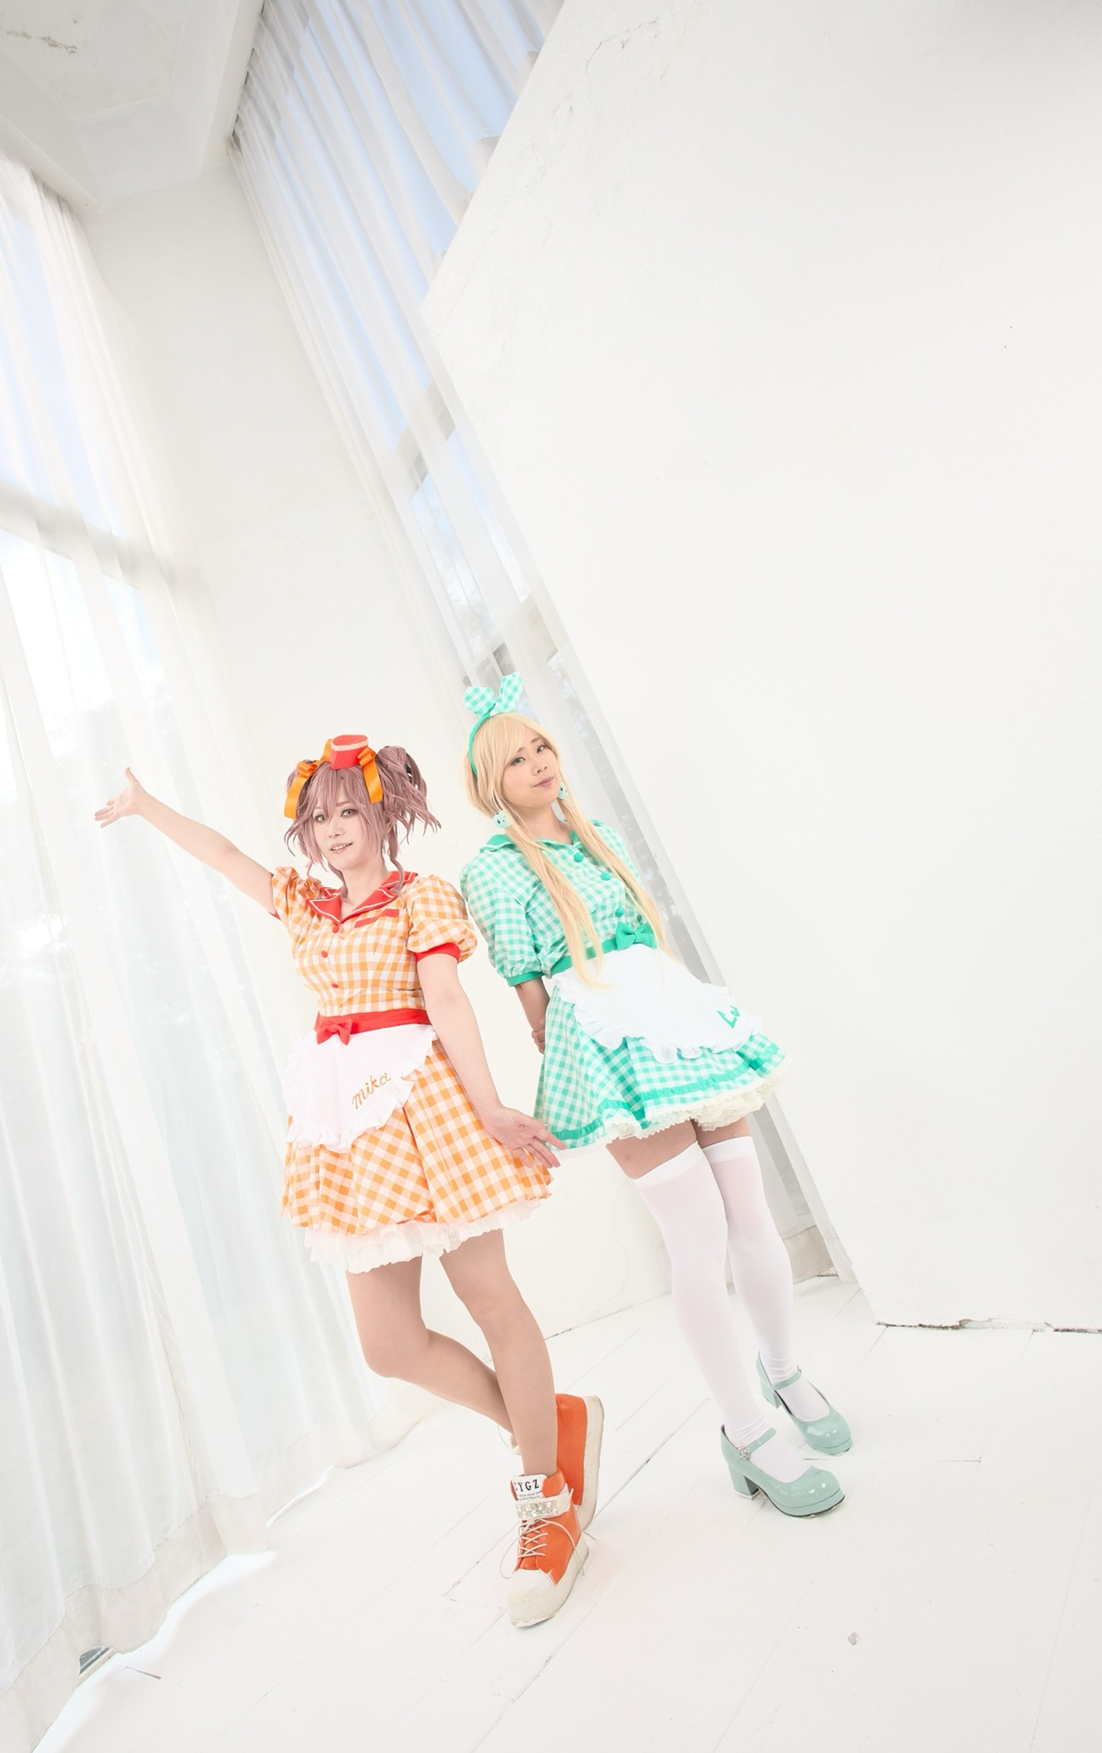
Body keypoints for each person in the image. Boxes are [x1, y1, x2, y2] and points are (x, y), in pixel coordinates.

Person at [95, 732, 602, 1622]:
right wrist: (144, 807)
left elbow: (446, 1000)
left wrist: (489, 1107)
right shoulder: (304, 906)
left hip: (427, 1107)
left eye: (346, 812)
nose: (331, 829)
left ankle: (544, 1502)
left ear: (380, 814)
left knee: (491, 1300)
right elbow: (224, 855)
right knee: (388, 1345)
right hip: (349, 1127)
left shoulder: (421, 897)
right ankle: (547, 1423)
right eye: (317, 817)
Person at [458, 676, 848, 1520]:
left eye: (541, 747)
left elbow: (645, 934)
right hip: (602, 1033)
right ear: (490, 782)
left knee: (749, 1212)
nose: (539, 763)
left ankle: (783, 1374)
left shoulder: (594, 834)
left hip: (673, 1013)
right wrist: (575, 1062)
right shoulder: (491, 868)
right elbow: (526, 983)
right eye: (517, 759)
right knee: (697, 1234)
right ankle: (745, 1433)